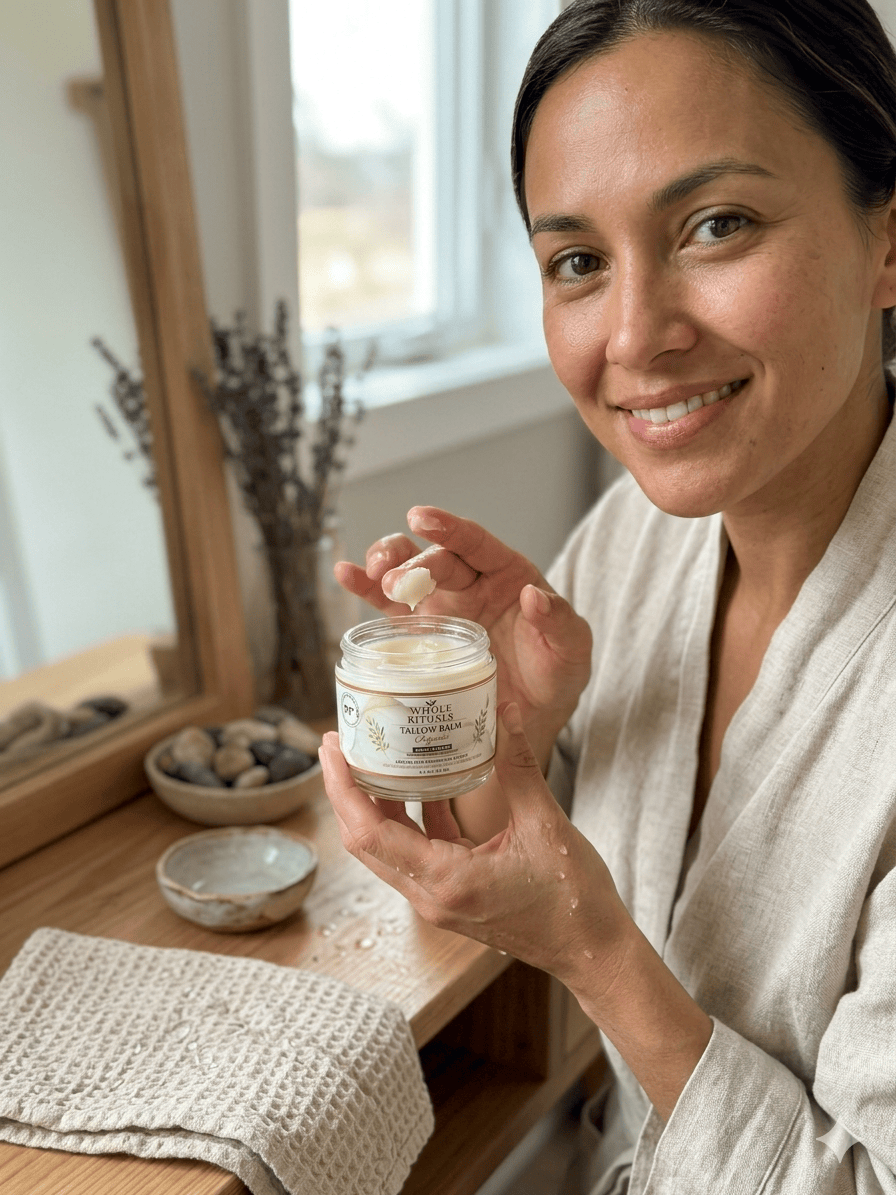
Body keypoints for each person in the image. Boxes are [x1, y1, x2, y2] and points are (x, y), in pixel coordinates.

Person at [318, 1, 896, 1190]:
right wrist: (505, 749)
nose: (632, 335)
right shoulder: (636, 541)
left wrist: (591, 947)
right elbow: (533, 864)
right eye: (575, 261)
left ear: (885, 240)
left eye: (715, 224)